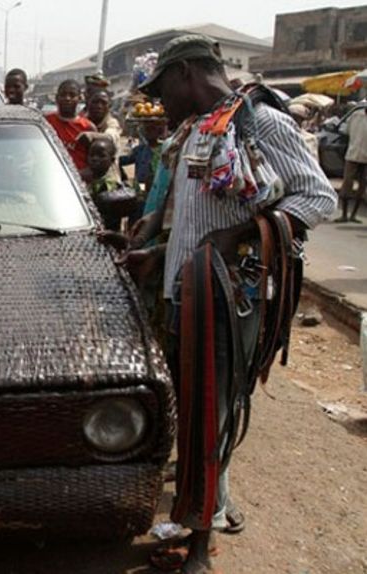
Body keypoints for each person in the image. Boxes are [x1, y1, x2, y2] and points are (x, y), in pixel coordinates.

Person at [120, 34, 336, 574]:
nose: (159, 102)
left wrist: (243, 233)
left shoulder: (260, 123)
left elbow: (317, 197)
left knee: (210, 414)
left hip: (226, 297)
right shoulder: (196, 129)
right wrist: (158, 252)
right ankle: (206, 507)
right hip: (182, 293)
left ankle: (200, 543)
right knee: (195, 411)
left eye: (162, 87)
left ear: (189, 73)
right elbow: (196, 224)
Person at [45, 79, 97, 176]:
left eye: (72, 95)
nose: (67, 98)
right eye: (63, 95)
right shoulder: (46, 122)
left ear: (79, 98)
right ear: (56, 98)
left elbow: (93, 165)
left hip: (78, 182)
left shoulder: (88, 128)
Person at [337, 105, 367, 222]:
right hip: (352, 155)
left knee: (362, 187)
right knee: (347, 184)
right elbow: (346, 131)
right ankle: (344, 214)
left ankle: (353, 215)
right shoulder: (356, 115)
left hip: (365, 158)